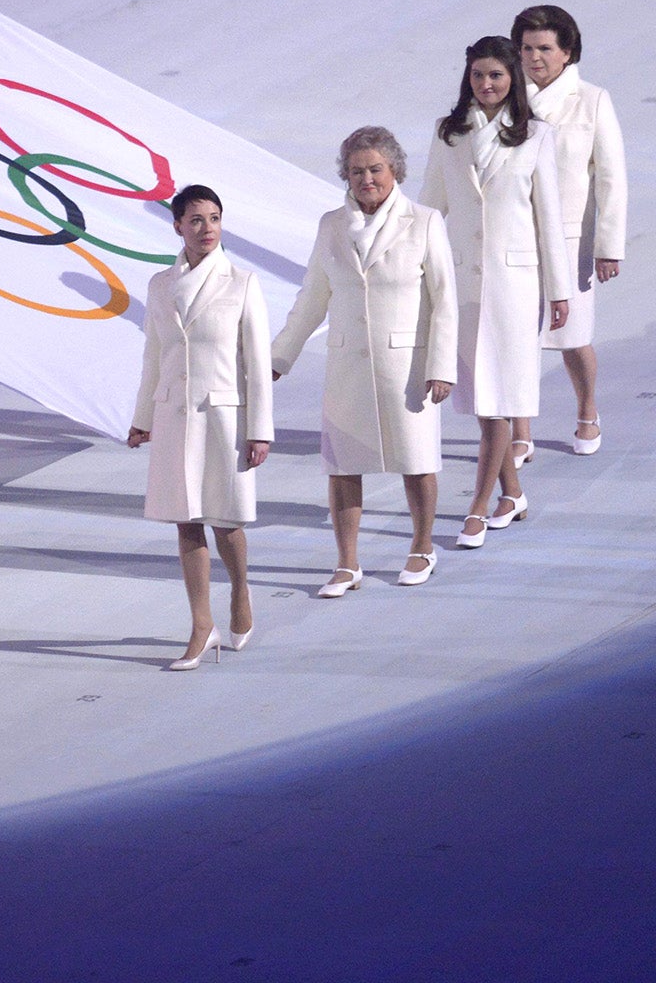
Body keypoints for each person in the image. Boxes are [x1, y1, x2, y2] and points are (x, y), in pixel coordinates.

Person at [272, 127, 456, 594]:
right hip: (348, 366)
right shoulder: (331, 225)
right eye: (356, 171)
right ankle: (347, 563)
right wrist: (279, 357)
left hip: (407, 368)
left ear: (394, 169)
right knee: (342, 465)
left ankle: (421, 546)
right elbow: (313, 296)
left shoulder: (425, 220)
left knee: (415, 460)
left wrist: (442, 366)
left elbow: (444, 301)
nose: (366, 179)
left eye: (375, 168)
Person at [419, 36, 573, 546]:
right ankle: (512, 493)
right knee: (486, 395)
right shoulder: (449, 133)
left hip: (515, 285)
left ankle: (478, 507)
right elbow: (428, 207)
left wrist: (559, 290)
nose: (486, 85)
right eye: (478, 76)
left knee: (500, 398)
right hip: (463, 281)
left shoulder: (535, 136)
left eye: (497, 77)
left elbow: (548, 216)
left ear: (513, 81)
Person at [126, 185, 273, 669]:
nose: (206, 228)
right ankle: (201, 626)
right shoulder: (158, 285)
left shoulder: (242, 283)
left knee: (226, 520)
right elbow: (153, 356)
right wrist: (142, 419)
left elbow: (256, 363)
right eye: (195, 220)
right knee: (186, 520)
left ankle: (241, 595)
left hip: (224, 418)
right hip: (174, 415)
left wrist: (260, 430)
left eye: (213, 219)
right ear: (177, 226)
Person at [512, 4, 626, 458]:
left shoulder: (592, 100)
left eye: (544, 48)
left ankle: (586, 409)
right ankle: (519, 430)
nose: (533, 57)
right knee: (515, 334)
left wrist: (608, 246)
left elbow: (611, 177)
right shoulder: (504, 96)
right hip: (516, 234)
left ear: (567, 52)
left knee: (572, 336)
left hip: (569, 238)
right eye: (525, 48)